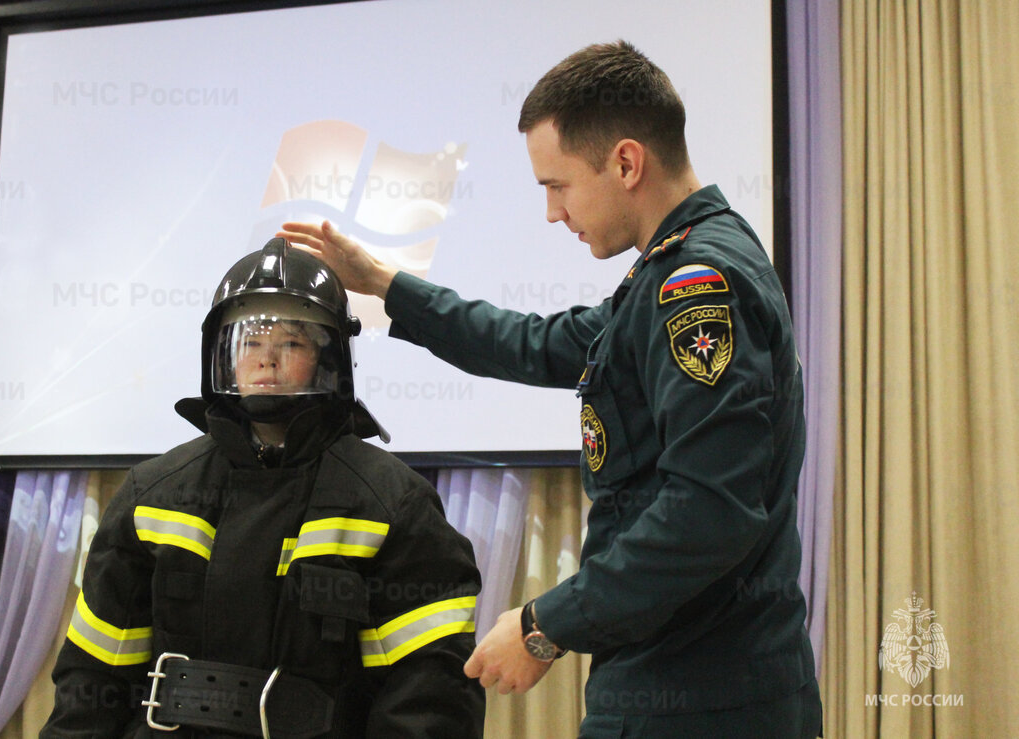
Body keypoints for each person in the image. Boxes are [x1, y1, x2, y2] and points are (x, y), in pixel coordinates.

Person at [279, 40, 822, 738]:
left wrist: (543, 626)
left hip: (698, 697)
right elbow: (532, 342)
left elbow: (707, 512)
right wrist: (386, 284)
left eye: (556, 185)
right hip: (682, 682)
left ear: (626, 162)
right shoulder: (668, 274)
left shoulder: (697, 285)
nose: (551, 212)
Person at [41, 238, 485, 738]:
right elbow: (92, 677)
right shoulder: (153, 493)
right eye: (250, 341)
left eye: (291, 343)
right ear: (223, 353)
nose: (265, 360)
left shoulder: (391, 502)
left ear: (330, 360)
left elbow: (430, 696)